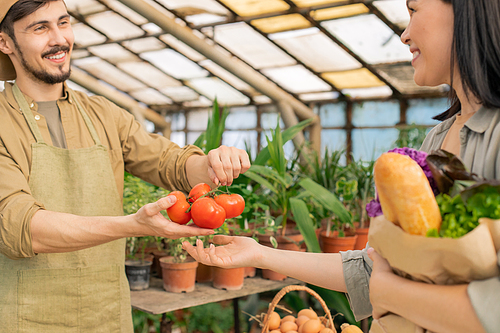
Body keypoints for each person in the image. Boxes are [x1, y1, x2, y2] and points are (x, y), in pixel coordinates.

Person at [183, 0, 500, 332]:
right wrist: (259, 255)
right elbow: (373, 268)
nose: (404, 35)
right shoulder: (435, 141)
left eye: (413, 10)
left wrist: (391, 294)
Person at [0, 0, 251, 332]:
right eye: (40, 28)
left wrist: (211, 165)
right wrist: (132, 225)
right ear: (5, 42)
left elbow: (167, 162)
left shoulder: (103, 113)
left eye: (63, 22)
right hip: (27, 319)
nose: (59, 39)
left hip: (107, 315)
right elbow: (21, 227)